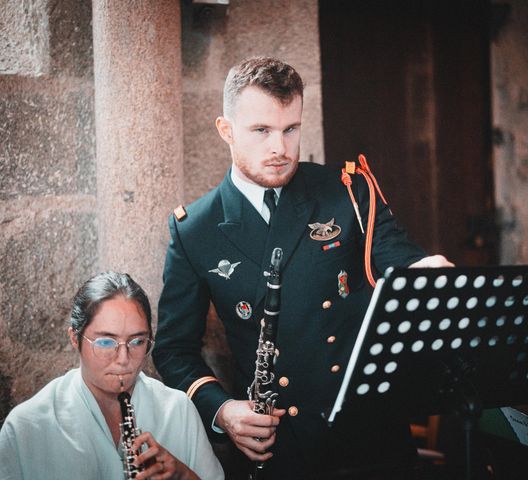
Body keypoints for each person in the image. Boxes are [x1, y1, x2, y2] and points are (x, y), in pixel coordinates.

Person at [153, 56, 453, 479]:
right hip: (279, 448)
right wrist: (221, 410)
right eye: (261, 131)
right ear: (226, 131)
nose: (280, 148)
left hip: (370, 438)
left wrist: (427, 271)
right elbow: (173, 349)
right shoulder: (195, 228)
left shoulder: (346, 190)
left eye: (290, 129)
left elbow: (401, 263)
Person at [0, 271, 224, 480]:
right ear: (74, 338)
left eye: (137, 341)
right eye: (106, 342)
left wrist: (183, 475)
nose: (124, 358)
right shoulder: (25, 427)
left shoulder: (178, 409)